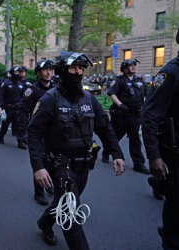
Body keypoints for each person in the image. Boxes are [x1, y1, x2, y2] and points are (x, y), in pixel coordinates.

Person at [28, 52, 125, 249]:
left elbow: (105, 128)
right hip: (60, 165)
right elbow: (34, 134)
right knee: (71, 210)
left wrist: (117, 152)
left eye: (81, 68)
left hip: (84, 164)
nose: (77, 72)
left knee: (63, 202)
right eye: (73, 68)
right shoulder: (49, 99)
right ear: (63, 70)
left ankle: (45, 222)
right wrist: (38, 167)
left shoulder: (89, 99)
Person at [142, 15, 179, 250]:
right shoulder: (172, 73)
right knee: (177, 204)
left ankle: (177, 227)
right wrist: (154, 156)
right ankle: (173, 241)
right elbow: (149, 115)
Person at [18, 59, 55, 205]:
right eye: (45, 70)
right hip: (37, 132)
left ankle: (49, 183)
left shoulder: (56, 88)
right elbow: (22, 111)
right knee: (40, 161)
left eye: (51, 70)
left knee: (53, 161)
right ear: (39, 73)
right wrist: (24, 131)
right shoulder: (32, 90)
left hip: (53, 133)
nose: (48, 72)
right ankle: (39, 192)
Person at [102, 58, 149, 174]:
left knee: (136, 140)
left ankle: (139, 164)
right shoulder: (119, 80)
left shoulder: (139, 80)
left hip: (135, 116)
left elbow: (144, 95)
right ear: (124, 68)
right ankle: (106, 151)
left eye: (134, 65)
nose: (133, 67)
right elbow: (111, 93)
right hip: (122, 115)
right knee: (115, 137)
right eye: (130, 66)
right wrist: (120, 105)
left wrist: (144, 106)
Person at [0, 66, 25, 146]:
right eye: (15, 72)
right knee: (5, 125)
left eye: (18, 72)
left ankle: (20, 141)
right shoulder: (6, 84)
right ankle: (1, 135)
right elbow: (0, 96)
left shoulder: (21, 84)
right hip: (7, 108)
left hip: (17, 108)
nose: (17, 74)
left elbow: (24, 97)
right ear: (12, 73)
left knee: (18, 126)